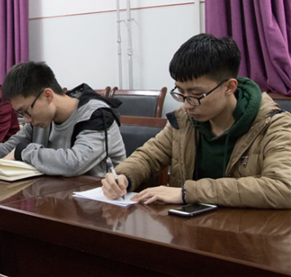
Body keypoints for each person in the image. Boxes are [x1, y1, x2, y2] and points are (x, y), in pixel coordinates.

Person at [101, 34, 291, 209]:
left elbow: (284, 187)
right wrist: (123, 176)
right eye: (181, 93)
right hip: (189, 227)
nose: (186, 105)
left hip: (249, 230)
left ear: (229, 87)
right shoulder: (184, 120)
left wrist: (188, 193)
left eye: (196, 95)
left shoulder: (274, 125)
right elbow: (149, 155)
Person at [0, 61, 126, 177]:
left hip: (101, 204)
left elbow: (74, 163)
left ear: (48, 95)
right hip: (57, 198)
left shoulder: (96, 115)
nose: (26, 120)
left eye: (25, 111)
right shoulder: (40, 119)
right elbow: (11, 146)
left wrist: (24, 152)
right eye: (21, 114)